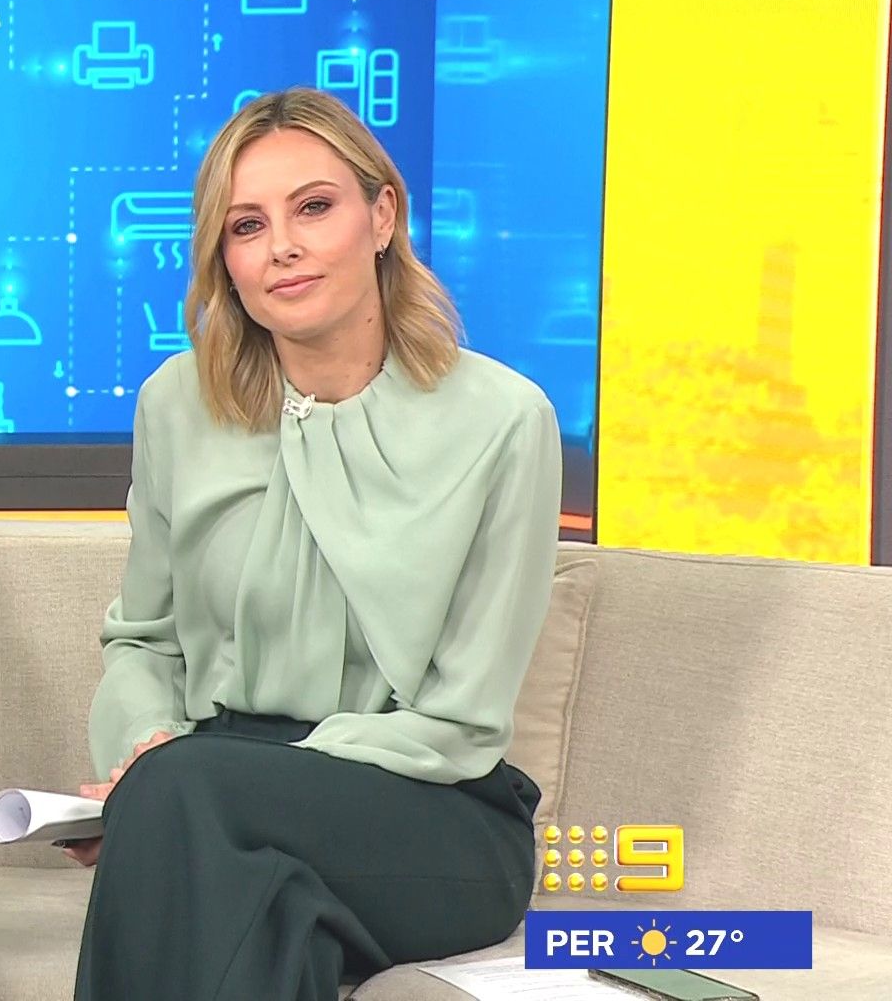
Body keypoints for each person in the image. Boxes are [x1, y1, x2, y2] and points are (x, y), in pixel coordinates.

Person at [68, 87, 561, 1000]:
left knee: (189, 806)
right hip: (211, 792)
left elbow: (464, 718)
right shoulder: (176, 404)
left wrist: (185, 784)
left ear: (383, 216)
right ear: (224, 260)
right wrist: (145, 745)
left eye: (314, 207)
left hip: (431, 808)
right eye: (247, 226)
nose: (281, 247)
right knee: (267, 913)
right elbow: (144, 641)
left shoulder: (504, 420)